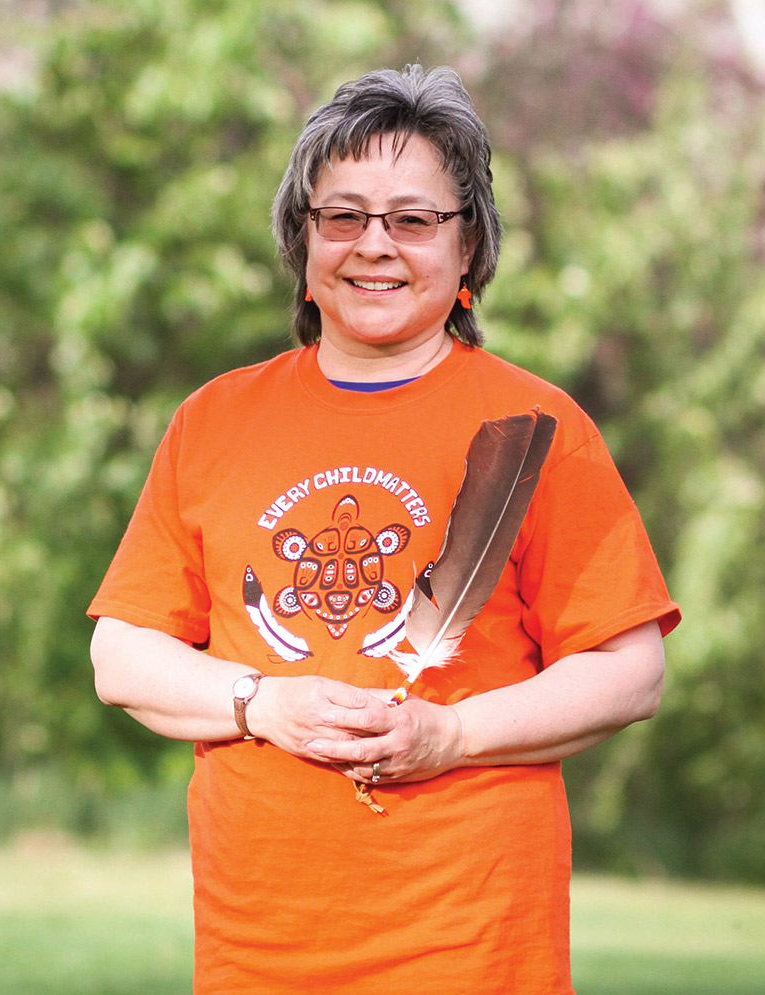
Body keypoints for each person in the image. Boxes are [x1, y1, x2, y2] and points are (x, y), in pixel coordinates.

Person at [88, 64, 680, 995]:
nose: (376, 245)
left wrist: (449, 734)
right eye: (344, 215)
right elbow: (122, 654)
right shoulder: (212, 420)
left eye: (413, 218)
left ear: (468, 242)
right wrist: (263, 701)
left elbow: (629, 669)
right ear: (303, 237)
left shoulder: (540, 427)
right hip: (259, 948)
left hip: (476, 944)